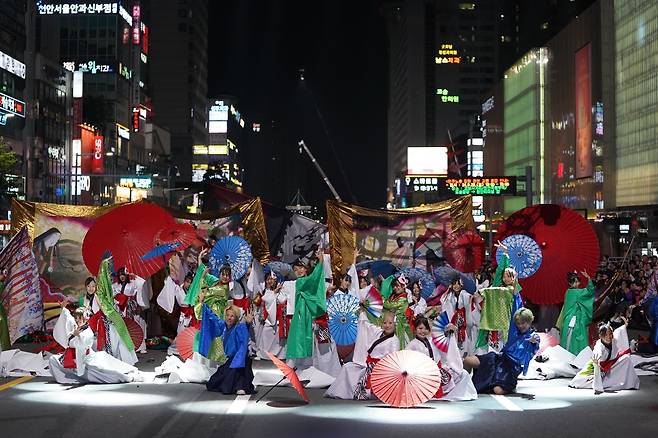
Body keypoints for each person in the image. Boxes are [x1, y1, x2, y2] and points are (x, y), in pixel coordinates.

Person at [49, 302, 141, 384]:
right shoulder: (75, 326)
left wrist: (78, 336)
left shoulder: (88, 332)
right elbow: (69, 318)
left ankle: (127, 377)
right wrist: (64, 309)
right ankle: (69, 376)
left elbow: (82, 345)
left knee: (107, 372)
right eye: (76, 318)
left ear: (85, 319)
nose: (78, 320)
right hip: (70, 359)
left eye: (80, 318)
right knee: (52, 359)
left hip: (85, 360)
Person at [325, 311, 399, 400]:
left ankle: (359, 392)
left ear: (395, 324)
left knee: (360, 374)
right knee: (348, 367)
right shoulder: (379, 332)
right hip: (367, 363)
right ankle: (341, 393)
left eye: (390, 323)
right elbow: (367, 326)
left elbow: (392, 359)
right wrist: (362, 314)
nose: (387, 325)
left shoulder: (394, 341)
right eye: (385, 323)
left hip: (380, 368)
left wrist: (377, 366)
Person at [464, 308, 540, 395]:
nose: (520, 326)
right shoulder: (514, 332)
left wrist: (533, 342)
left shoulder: (533, 336)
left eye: (523, 323)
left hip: (511, 368)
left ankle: (508, 385)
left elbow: (534, 345)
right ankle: (464, 383)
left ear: (530, 321)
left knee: (498, 391)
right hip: (498, 358)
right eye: (518, 323)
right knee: (467, 361)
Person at [405, 316, 477, 401]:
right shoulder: (412, 344)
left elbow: (444, 340)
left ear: (429, 330)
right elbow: (408, 358)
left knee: (463, 373)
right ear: (415, 329)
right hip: (421, 372)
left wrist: (448, 331)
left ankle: (460, 393)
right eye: (420, 328)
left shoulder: (432, 340)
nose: (423, 331)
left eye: (425, 328)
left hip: (437, 369)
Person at [474, 241, 522, 353]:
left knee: (504, 347)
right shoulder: (498, 285)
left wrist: (483, 291)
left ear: (513, 278)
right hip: (493, 321)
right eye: (504, 276)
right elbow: (501, 270)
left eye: (508, 276)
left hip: (506, 321)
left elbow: (498, 291)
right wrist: (505, 254)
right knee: (492, 349)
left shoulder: (512, 290)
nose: (505, 278)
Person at [569, 319, 640, 393]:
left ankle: (630, 383)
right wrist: (597, 363)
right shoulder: (599, 346)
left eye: (610, 334)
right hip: (596, 368)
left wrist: (625, 324)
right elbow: (597, 355)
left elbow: (619, 332)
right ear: (600, 336)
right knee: (582, 381)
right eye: (605, 335)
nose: (609, 337)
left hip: (610, 365)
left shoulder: (614, 340)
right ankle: (605, 383)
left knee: (626, 359)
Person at [203, 304, 255, 395]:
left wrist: (247, 324)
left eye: (232, 316)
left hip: (241, 359)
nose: (229, 318)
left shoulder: (239, 327)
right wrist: (204, 306)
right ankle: (238, 385)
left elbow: (243, 342)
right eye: (227, 315)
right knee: (212, 382)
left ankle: (240, 386)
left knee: (235, 375)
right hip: (231, 360)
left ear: (236, 317)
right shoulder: (223, 326)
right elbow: (213, 319)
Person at [556, 271, 595, 355]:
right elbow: (590, 292)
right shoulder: (577, 292)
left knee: (567, 341)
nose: (577, 284)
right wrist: (588, 278)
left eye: (578, 281)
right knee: (576, 341)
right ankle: (577, 356)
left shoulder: (568, 292)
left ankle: (567, 355)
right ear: (570, 283)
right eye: (575, 282)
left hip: (567, 320)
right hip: (576, 320)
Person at [440, 274, 479, 356]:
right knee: (455, 345)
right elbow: (443, 300)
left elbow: (470, 302)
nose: (456, 286)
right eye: (454, 284)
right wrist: (448, 290)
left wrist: (471, 299)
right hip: (455, 321)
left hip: (464, 322)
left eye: (458, 284)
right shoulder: (451, 296)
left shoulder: (464, 294)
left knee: (466, 343)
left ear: (461, 285)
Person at [157, 272, 194, 355]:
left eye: (190, 283)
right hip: (184, 314)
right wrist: (170, 279)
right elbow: (169, 285)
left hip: (192, 314)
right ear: (184, 281)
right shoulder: (178, 289)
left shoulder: (193, 292)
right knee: (181, 333)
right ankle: (174, 349)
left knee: (190, 333)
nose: (188, 284)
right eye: (187, 282)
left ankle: (187, 349)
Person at [112, 267, 148, 353]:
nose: (122, 277)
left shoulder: (133, 283)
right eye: (120, 275)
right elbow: (112, 295)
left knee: (137, 324)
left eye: (123, 274)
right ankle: (126, 346)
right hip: (121, 307)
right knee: (124, 326)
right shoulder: (115, 285)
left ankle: (141, 346)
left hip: (131, 307)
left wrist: (134, 275)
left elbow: (142, 282)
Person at [256, 271, 288, 359]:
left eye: (272, 279)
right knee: (265, 335)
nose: (270, 281)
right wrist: (274, 293)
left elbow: (283, 300)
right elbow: (266, 299)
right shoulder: (266, 291)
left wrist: (277, 293)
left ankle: (279, 355)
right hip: (269, 319)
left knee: (279, 339)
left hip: (279, 318)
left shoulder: (283, 290)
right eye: (268, 279)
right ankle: (264, 355)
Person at [380, 274, 413, 348]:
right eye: (394, 286)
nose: (395, 288)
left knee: (397, 346)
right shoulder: (394, 296)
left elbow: (390, 306)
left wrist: (382, 299)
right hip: (390, 323)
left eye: (397, 286)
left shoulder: (403, 299)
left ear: (403, 286)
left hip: (398, 326)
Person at [0, 268, 10, 351]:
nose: (5, 276)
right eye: (3, 274)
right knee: (2, 325)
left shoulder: (1, 284)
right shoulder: (1, 284)